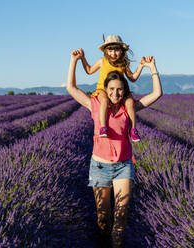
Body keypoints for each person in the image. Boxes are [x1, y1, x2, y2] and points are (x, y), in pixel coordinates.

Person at [66, 48, 162, 248]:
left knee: (121, 214)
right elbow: (71, 88)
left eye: (119, 90)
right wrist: (74, 61)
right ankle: (102, 239)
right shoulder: (95, 105)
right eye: (111, 90)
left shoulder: (130, 108)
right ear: (105, 90)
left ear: (124, 91)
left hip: (123, 167)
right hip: (99, 167)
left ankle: (116, 243)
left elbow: (157, 94)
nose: (115, 94)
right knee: (103, 216)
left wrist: (152, 68)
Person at [79, 35, 148, 142]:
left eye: (116, 50)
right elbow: (89, 70)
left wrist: (141, 66)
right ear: (106, 51)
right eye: (110, 50)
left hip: (121, 91)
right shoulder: (102, 61)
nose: (113, 53)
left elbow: (132, 78)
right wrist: (82, 58)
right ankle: (103, 127)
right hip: (103, 90)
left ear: (122, 51)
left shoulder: (123, 63)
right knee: (104, 101)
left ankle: (133, 129)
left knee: (130, 103)